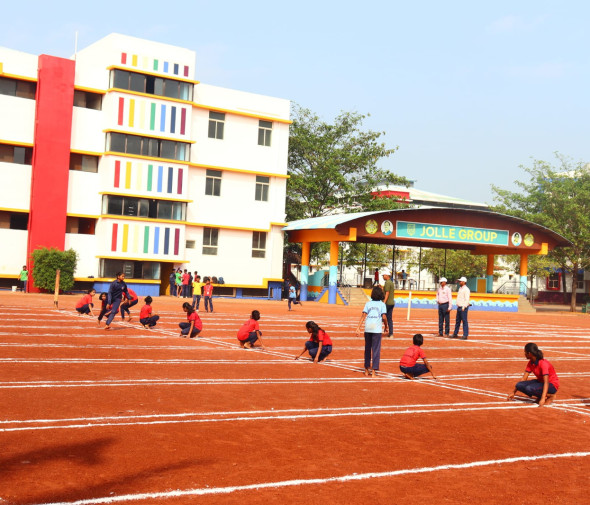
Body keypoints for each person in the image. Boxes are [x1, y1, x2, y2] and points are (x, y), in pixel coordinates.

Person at [508, 343, 559, 407]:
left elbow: (546, 382)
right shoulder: (530, 363)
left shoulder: (543, 363)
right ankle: (540, 395)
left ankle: (551, 396)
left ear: (529, 353)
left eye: (525, 352)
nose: (524, 354)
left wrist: (543, 398)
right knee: (519, 385)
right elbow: (524, 379)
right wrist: (513, 392)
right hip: (540, 382)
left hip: (551, 384)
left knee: (530, 388)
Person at [355, 286, 388, 377]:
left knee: (367, 349)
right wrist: (386, 326)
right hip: (376, 330)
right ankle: (373, 371)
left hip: (368, 328)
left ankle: (366, 369)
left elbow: (363, 315)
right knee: (376, 350)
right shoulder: (382, 304)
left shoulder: (368, 303)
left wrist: (358, 327)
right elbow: (384, 317)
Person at [382, 272, 395, 338]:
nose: (383, 276)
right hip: (391, 303)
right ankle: (391, 333)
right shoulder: (391, 282)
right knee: (389, 318)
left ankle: (378, 331)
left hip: (387, 303)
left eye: (383, 275)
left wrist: (384, 302)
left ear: (387, 275)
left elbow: (387, 293)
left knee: (381, 317)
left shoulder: (387, 283)